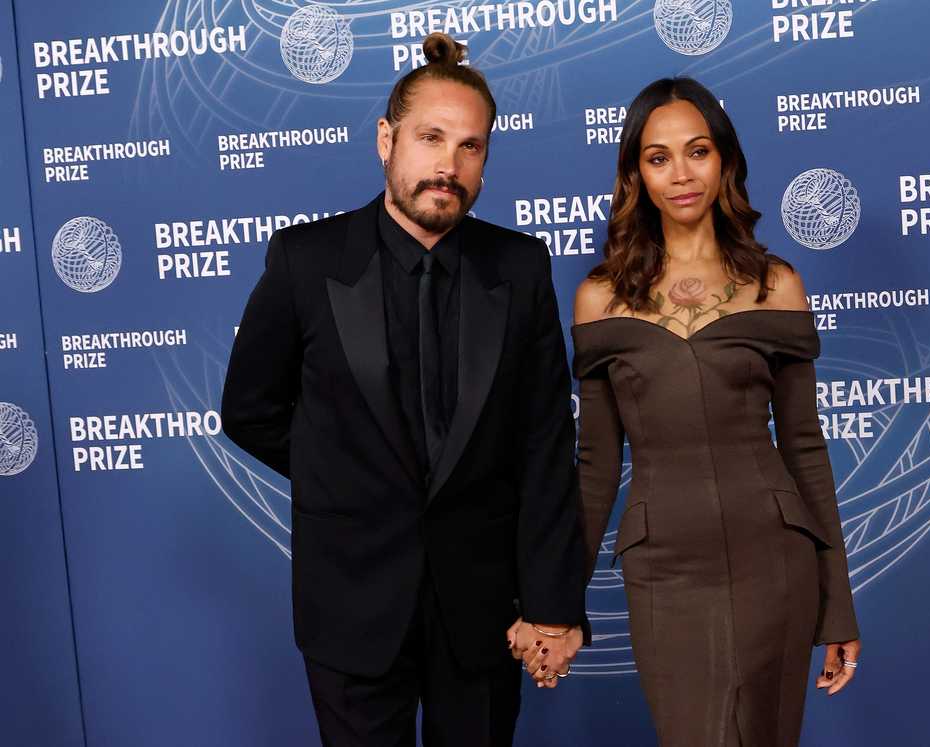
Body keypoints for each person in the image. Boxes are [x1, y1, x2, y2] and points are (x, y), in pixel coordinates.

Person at [221, 33, 585, 747]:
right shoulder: (307, 260)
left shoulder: (520, 268)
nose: (448, 166)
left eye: (471, 147)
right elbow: (248, 410)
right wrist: (344, 475)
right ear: (386, 140)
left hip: (481, 608)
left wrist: (552, 604)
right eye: (430, 138)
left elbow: (546, 445)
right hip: (350, 604)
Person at [568, 77, 861, 746]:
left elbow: (806, 448)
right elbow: (595, 466)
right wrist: (561, 604)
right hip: (663, 569)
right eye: (658, 156)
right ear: (635, 174)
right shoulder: (600, 297)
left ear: (724, 160)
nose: (681, 173)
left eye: (697, 151)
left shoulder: (776, 283)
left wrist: (837, 606)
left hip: (774, 559)